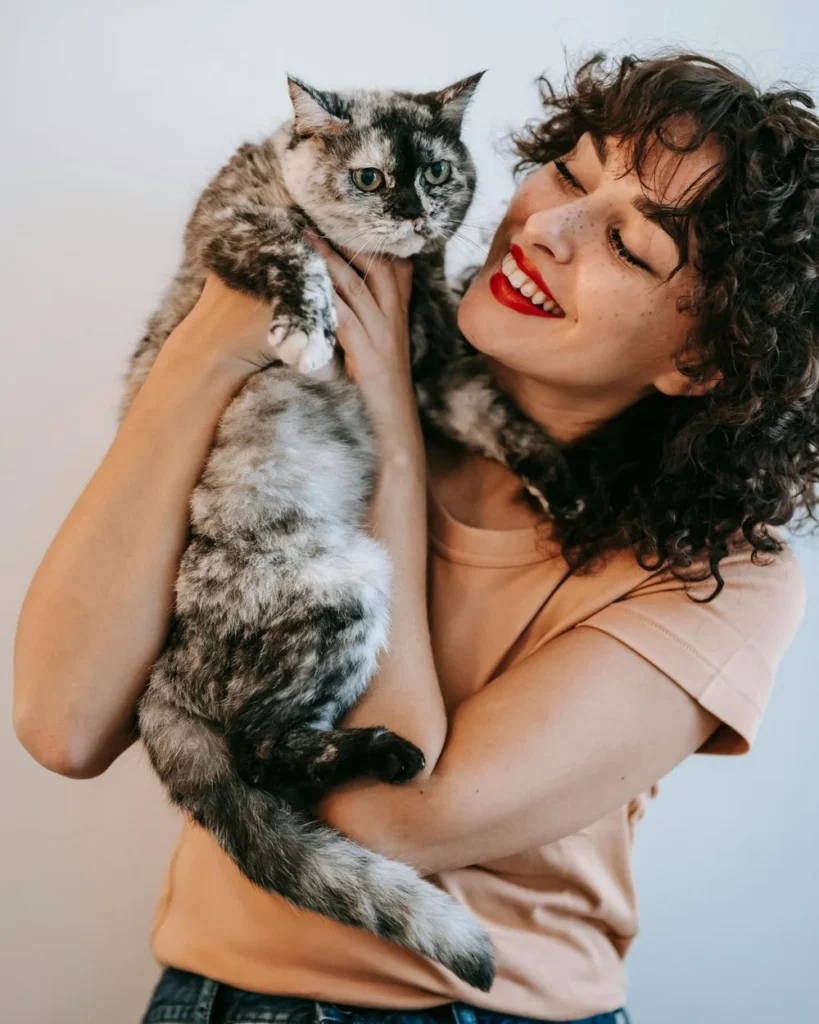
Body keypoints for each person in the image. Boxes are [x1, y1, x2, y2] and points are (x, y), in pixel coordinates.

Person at [13, 49, 818, 1024]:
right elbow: (63, 721)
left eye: (629, 245)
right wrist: (209, 340)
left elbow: (391, 815)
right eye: (569, 170)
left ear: (699, 360)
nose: (546, 230)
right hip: (209, 1000)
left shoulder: (721, 578)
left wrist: (392, 413)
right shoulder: (296, 384)